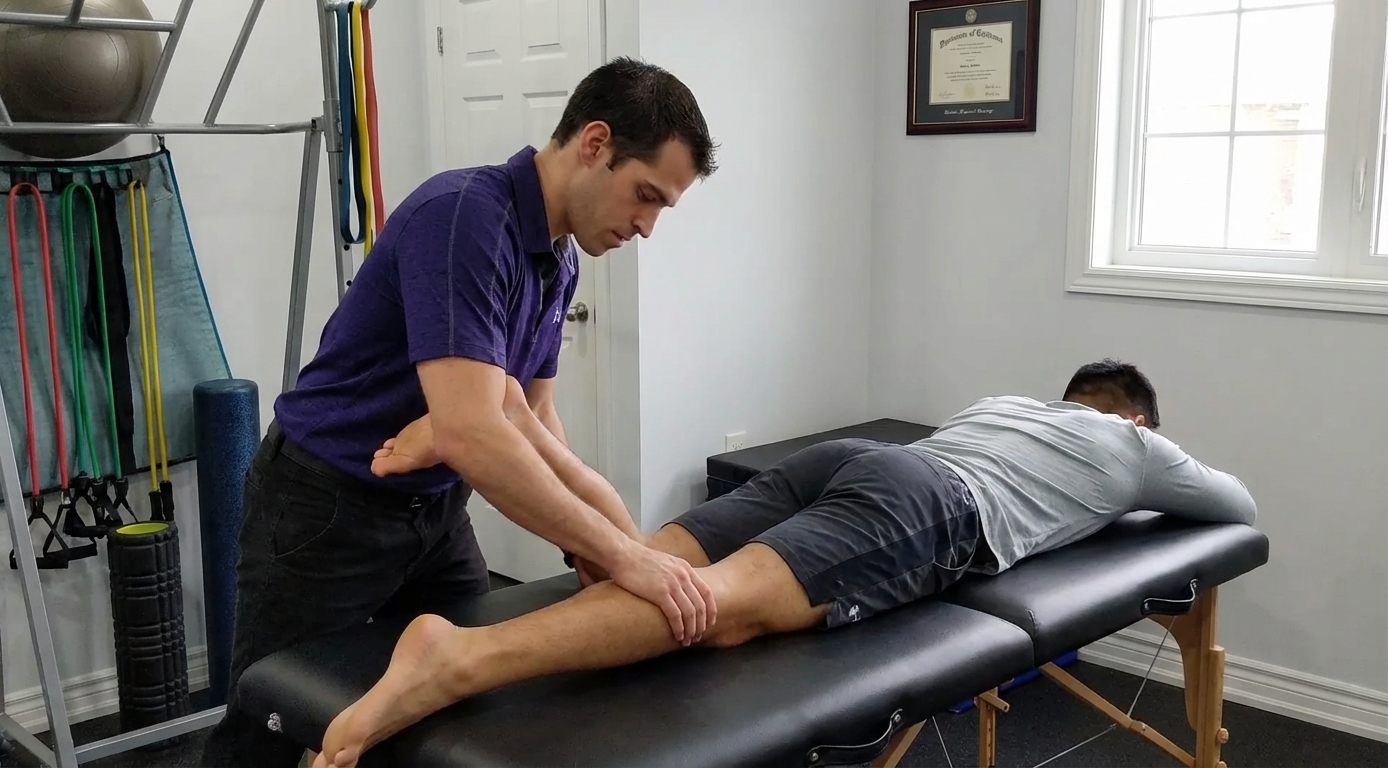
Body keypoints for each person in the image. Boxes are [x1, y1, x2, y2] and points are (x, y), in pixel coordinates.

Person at [310, 359, 1258, 767]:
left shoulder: (1004, 403)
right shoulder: (1131, 443)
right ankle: (454, 659)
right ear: (1129, 415)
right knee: (710, 609)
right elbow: (1235, 509)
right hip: (928, 507)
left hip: (857, 458)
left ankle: (514, 421)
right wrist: (1138, 473)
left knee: (635, 565)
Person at [199, 57, 720, 767]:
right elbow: (473, 432)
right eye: (646, 196)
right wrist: (623, 553)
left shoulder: (559, 260)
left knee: (463, 706)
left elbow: (534, 419)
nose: (648, 227)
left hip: (434, 515)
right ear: (595, 144)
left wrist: (589, 550)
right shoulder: (465, 218)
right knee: (268, 725)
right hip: (325, 508)